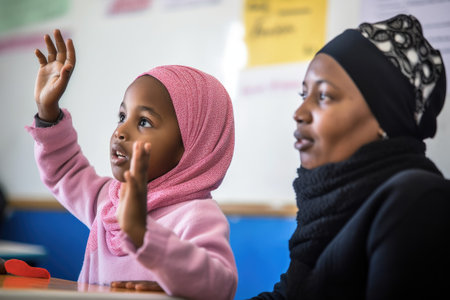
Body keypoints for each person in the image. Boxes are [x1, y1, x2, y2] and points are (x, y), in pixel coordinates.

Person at [26, 29, 237, 300]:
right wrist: (48, 112)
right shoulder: (112, 200)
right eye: (122, 116)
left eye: (144, 122)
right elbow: (66, 171)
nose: (121, 132)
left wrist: (143, 233)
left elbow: (220, 286)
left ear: (191, 147)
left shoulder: (196, 215)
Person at [250, 14, 450, 300]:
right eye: (303, 94)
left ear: (385, 118)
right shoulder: (328, 208)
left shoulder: (417, 201)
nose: (299, 113)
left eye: (324, 96)